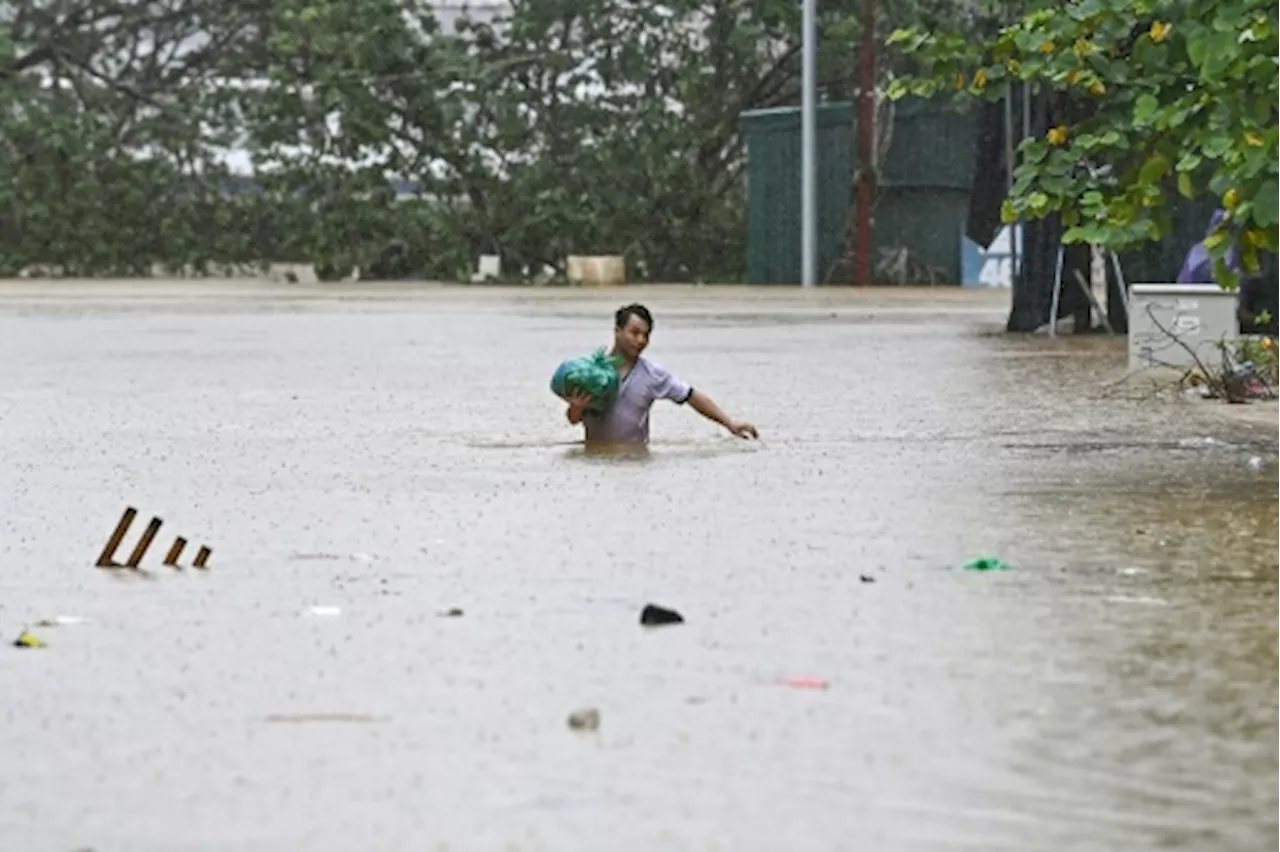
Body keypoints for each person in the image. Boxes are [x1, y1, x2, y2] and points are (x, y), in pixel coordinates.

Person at [562, 303, 758, 445]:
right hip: (596, 458)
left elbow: (691, 395)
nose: (640, 340)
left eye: (646, 335)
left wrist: (729, 423)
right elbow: (573, 419)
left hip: (635, 458)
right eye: (635, 332)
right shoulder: (592, 375)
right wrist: (576, 408)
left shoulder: (653, 375)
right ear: (617, 331)